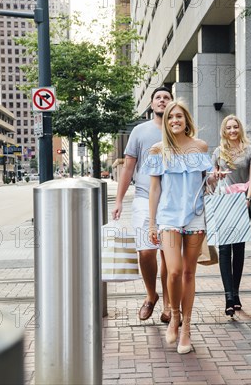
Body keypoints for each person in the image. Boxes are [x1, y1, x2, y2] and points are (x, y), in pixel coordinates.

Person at [142, 99, 212, 354]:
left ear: (186, 120)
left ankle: (187, 328)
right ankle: (174, 314)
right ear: (166, 121)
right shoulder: (157, 150)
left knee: (189, 273)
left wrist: (214, 177)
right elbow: (154, 188)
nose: (174, 121)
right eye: (171, 117)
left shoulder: (200, 147)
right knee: (173, 271)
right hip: (169, 218)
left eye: (179, 116)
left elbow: (207, 184)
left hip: (195, 217)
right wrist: (152, 222)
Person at [112, 86, 174, 323]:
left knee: (168, 256)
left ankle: (169, 306)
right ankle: (151, 296)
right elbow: (128, 168)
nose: (161, 100)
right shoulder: (139, 131)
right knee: (146, 252)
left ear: (171, 103)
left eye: (166, 97)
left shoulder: (178, 128)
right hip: (142, 198)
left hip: (171, 202)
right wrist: (118, 200)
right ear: (151, 104)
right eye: (158, 97)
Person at [211, 115, 251, 317]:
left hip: (241, 203)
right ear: (224, 131)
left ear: (240, 129)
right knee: (224, 250)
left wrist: (248, 200)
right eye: (228, 127)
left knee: (238, 250)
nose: (232, 130)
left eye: (235, 127)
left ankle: (236, 293)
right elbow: (212, 180)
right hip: (223, 202)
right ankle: (228, 297)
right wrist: (216, 177)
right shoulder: (218, 152)